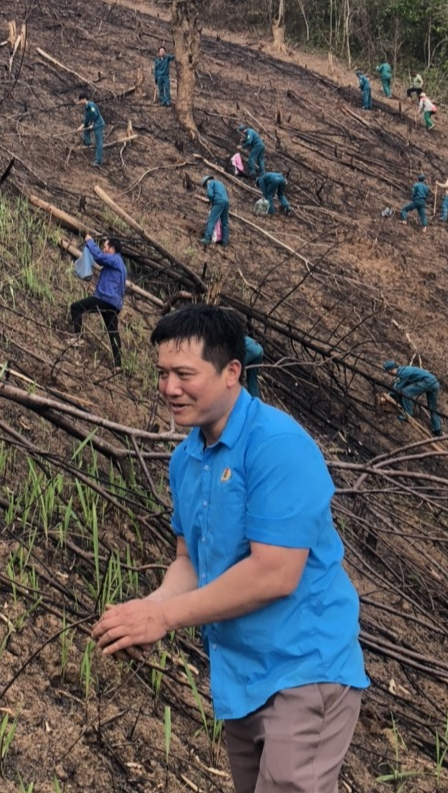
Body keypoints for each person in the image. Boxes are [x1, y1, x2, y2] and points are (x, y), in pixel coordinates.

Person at [93, 305, 368, 793]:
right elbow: (189, 562)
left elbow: (274, 574)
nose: (169, 388)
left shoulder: (277, 446)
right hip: (241, 678)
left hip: (304, 669)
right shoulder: (186, 458)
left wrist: (166, 619)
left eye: (184, 374)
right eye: (162, 373)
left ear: (231, 373)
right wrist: (149, 609)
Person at [70, 235, 126, 368]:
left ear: (112, 249)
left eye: (105, 246)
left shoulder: (115, 259)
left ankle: (78, 338)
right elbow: (101, 262)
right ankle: (118, 364)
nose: (103, 249)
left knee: (76, 308)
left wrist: (89, 241)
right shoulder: (122, 266)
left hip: (105, 298)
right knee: (113, 331)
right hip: (114, 303)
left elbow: (100, 257)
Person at [383, 360, 442, 436]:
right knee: (432, 407)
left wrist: (389, 394)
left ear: (391, 370)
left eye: (388, 372)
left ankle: (408, 415)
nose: (388, 374)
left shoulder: (403, 373)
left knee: (405, 392)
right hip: (435, 382)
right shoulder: (404, 369)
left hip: (427, 382)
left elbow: (398, 388)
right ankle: (437, 429)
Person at [77, 92, 105, 167]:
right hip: (94, 124)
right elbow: (86, 120)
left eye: (80, 100)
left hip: (98, 124)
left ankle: (98, 161)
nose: (80, 102)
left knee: (99, 142)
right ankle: (87, 142)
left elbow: (95, 115)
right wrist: (81, 127)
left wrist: (92, 124)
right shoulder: (86, 108)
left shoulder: (91, 105)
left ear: (84, 99)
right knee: (86, 129)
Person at [200, 175, 230, 246]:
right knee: (225, 222)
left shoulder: (210, 183)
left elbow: (210, 194)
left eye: (205, 186)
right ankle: (224, 241)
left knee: (211, 220)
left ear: (206, 182)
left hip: (218, 201)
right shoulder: (220, 183)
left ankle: (207, 239)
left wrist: (212, 201)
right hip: (226, 202)